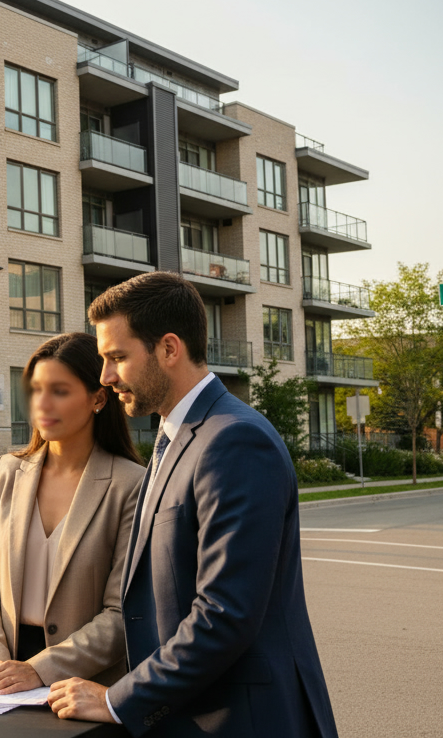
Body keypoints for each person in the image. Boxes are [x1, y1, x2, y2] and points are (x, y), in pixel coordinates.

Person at [47, 272, 338, 737]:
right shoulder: (175, 436)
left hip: (242, 722)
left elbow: (224, 614)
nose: (105, 377)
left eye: (117, 357)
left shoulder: (235, 440)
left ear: (169, 348)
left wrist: (118, 700)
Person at [0, 332, 147, 696]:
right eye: (36, 391)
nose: (42, 405)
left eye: (59, 391)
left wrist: (39, 669)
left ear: (98, 398)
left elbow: (122, 614)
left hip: (87, 686)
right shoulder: (7, 473)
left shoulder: (131, 485)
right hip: (5, 677)